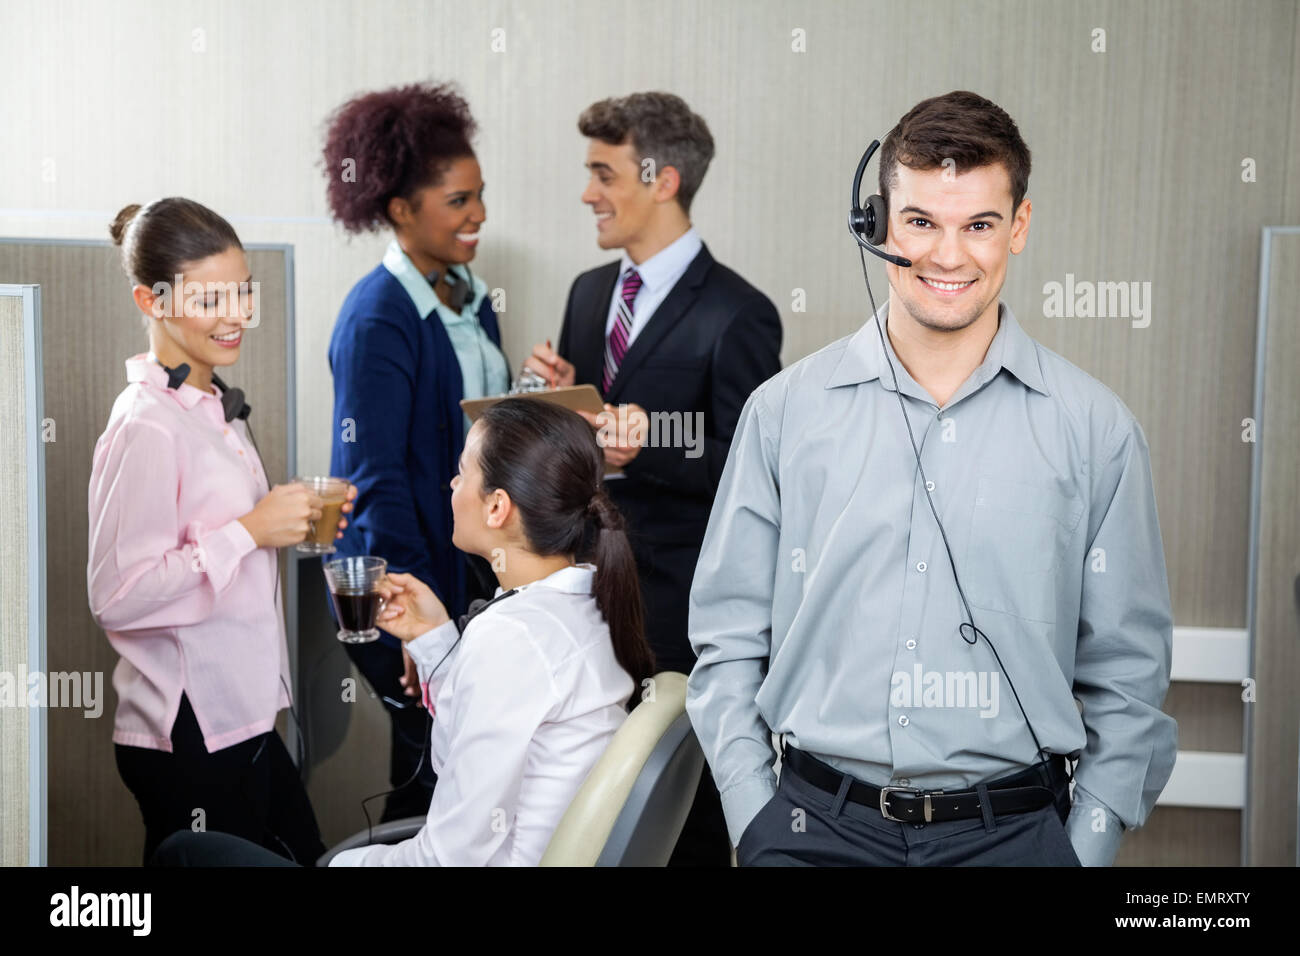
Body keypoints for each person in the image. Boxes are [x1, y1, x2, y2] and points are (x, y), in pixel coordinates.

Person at [686, 90, 1177, 867]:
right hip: (812, 832)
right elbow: (727, 640)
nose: (948, 256)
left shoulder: (1096, 429)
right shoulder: (782, 413)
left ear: (1018, 227)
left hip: (1015, 837)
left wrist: (1086, 843)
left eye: (978, 224)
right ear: (877, 224)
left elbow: (1128, 672)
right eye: (921, 222)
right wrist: (755, 817)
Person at [152, 398, 656, 866]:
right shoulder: (582, 606)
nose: (452, 487)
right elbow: (498, 720)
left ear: (497, 507)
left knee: (184, 851)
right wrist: (434, 636)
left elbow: (445, 858)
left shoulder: (512, 638)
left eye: (461, 474)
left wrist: (340, 865)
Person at [525, 91, 782, 866]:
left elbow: (753, 471)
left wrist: (654, 451)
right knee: (581, 796)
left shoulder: (741, 314)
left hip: (676, 612)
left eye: (603, 173)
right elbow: (589, 444)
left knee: (683, 817)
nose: (586, 193)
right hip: (579, 600)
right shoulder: (587, 293)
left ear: (662, 179)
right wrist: (564, 405)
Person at [89, 198, 352, 865]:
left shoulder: (214, 406)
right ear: (152, 301)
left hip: (244, 715)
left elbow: (224, 537)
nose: (236, 315)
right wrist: (250, 530)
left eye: (242, 292)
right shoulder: (144, 423)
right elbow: (117, 594)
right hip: (188, 731)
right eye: (210, 300)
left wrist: (283, 521)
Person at [322, 81, 510, 821]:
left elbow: (469, 434)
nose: (479, 215)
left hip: (454, 582)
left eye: (480, 196)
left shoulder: (467, 295)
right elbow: (378, 481)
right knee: (443, 771)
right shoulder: (378, 319)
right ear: (400, 211)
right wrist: (423, 618)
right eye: (458, 201)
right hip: (399, 582)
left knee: (447, 768)